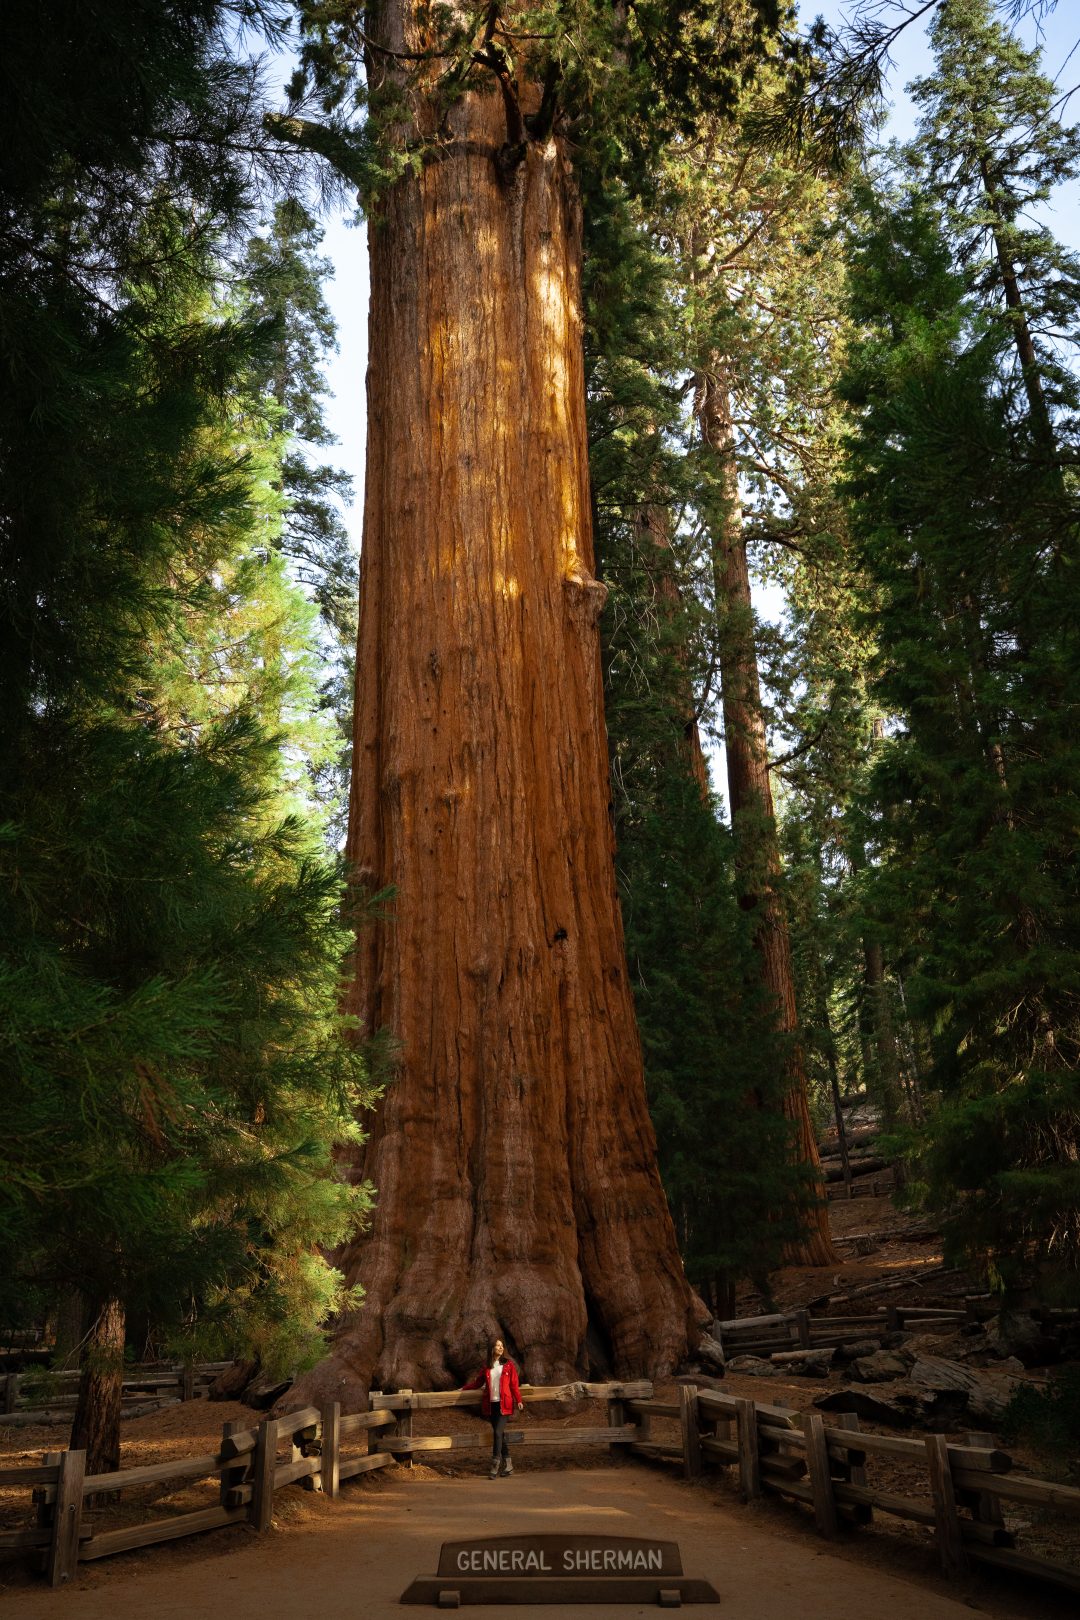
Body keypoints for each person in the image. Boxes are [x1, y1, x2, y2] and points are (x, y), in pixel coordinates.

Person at [463, 1335, 523, 1478]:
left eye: (502, 1346)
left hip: (505, 1405)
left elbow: (514, 1385)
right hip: (491, 1405)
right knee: (499, 1435)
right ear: (492, 1349)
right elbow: (477, 1383)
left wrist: (519, 1400)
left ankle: (495, 1464)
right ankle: (509, 1465)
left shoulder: (508, 1365)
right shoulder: (487, 1367)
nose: (501, 1348)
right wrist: (463, 1389)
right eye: (497, 1345)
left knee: (497, 1433)